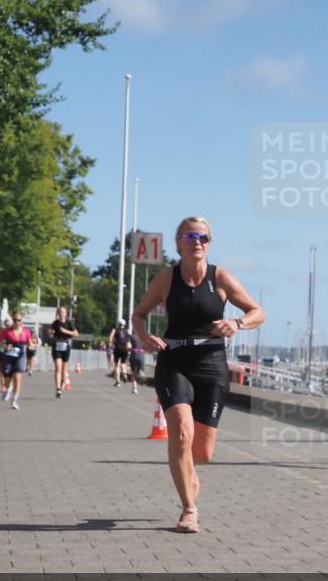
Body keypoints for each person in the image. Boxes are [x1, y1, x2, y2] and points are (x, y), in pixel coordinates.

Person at [133, 216, 265, 533]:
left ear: (209, 243)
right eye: (191, 236)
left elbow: (258, 312)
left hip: (211, 363)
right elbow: (138, 314)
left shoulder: (220, 278)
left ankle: (188, 468)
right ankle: (189, 509)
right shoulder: (166, 279)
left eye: (204, 237)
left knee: (202, 452)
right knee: (179, 433)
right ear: (179, 242)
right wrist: (144, 337)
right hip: (174, 360)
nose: (198, 242)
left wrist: (236, 323)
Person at [0, 311, 32, 410]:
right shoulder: (7, 331)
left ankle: (14, 401)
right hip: (8, 356)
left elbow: (30, 343)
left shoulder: (26, 332)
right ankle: (8, 389)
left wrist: (32, 346)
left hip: (20, 356)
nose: (16, 322)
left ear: (22, 321)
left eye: (19, 320)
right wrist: (5, 346)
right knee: (7, 380)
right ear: (12, 320)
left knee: (17, 377)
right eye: (15, 320)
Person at [49, 306, 79, 398]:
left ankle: (61, 388)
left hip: (66, 346)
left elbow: (76, 334)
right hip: (57, 346)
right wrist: (50, 332)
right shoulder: (55, 323)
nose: (62, 314)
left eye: (63, 312)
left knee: (63, 371)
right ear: (58, 314)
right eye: (60, 312)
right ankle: (58, 388)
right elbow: (51, 331)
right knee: (58, 368)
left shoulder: (69, 323)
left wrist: (66, 331)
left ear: (66, 314)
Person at [109, 319, 131, 387]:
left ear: (118, 324)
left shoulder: (115, 329)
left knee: (117, 365)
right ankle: (124, 373)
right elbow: (129, 339)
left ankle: (118, 381)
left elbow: (110, 338)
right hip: (125, 349)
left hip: (117, 348)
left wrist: (112, 342)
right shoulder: (127, 330)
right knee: (123, 363)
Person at [128, 328, 145, 394]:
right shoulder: (143, 337)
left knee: (133, 373)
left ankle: (134, 389)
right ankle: (141, 375)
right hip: (141, 355)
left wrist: (129, 349)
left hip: (134, 354)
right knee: (140, 370)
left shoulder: (131, 336)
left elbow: (128, 345)